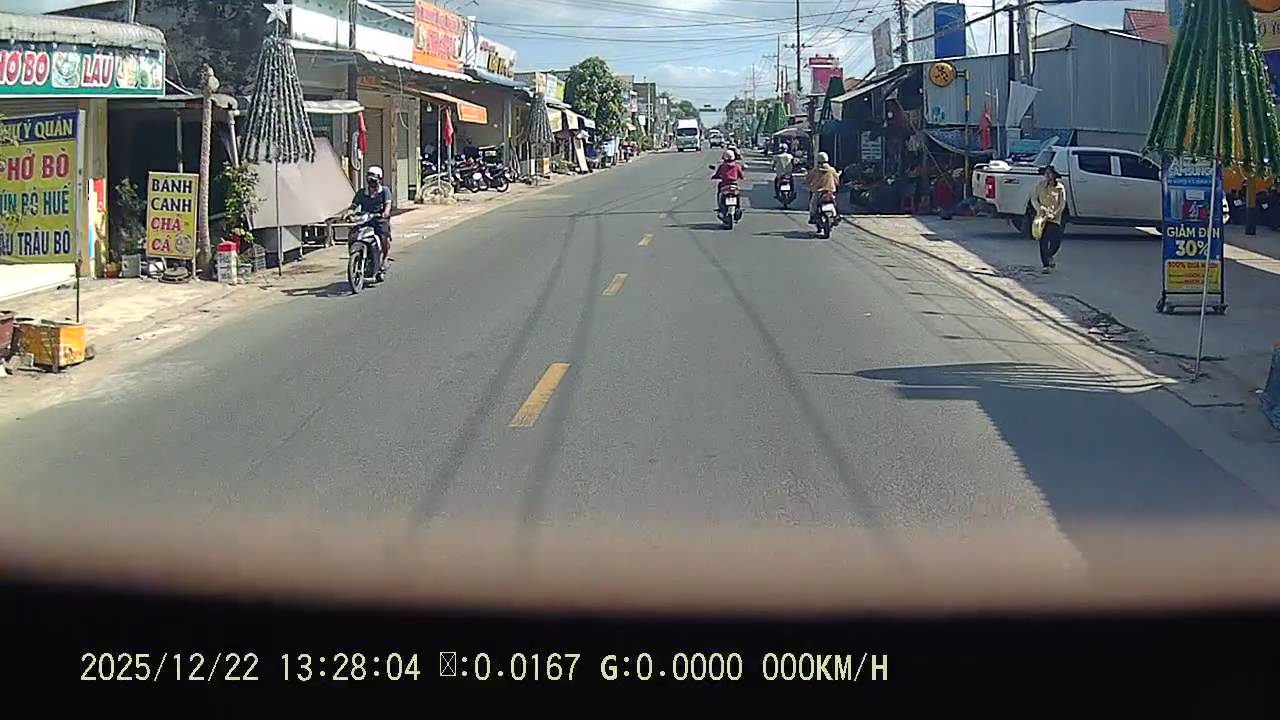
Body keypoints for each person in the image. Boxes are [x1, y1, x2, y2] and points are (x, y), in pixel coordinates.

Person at [348, 165, 393, 276]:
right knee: (353, 235)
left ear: (379, 179)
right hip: (365, 219)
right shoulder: (362, 192)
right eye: (369, 179)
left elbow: (388, 204)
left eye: (374, 179)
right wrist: (349, 212)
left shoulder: (385, 191)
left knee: (383, 236)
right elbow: (354, 205)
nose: (371, 182)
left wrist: (385, 212)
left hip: (379, 219)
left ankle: (384, 258)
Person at [1033, 165, 1067, 273]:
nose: (1047, 175)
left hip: (1055, 218)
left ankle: (1050, 255)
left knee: (1056, 241)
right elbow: (1034, 199)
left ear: (1054, 175)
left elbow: (1062, 203)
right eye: (1046, 173)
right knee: (1043, 241)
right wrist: (1039, 209)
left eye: (1049, 173)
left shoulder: (1060, 188)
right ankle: (1046, 264)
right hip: (1042, 217)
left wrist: (1055, 213)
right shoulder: (1040, 185)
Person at [805, 151, 840, 224]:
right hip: (830, 191)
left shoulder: (815, 170)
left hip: (818, 192)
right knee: (834, 203)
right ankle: (836, 216)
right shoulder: (832, 170)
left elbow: (808, 179)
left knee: (813, 204)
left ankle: (812, 217)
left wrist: (808, 185)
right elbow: (837, 180)